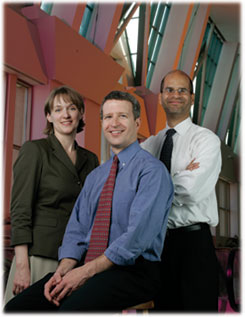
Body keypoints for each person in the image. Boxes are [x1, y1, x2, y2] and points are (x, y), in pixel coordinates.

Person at [5, 90, 174, 312]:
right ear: (102, 122)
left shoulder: (152, 172)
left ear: (137, 121)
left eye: (122, 116)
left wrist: (84, 272)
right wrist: (64, 270)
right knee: (17, 308)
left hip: (133, 271)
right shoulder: (97, 175)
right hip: (89, 266)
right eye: (108, 117)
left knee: (70, 310)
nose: (114, 123)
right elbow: (77, 227)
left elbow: (135, 239)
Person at [4, 86, 99, 304]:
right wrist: (22, 266)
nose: (65, 115)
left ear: (81, 113)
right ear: (49, 116)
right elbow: (21, 209)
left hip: (76, 258)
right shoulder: (35, 151)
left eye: (72, 108)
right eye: (58, 109)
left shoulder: (91, 159)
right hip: (40, 254)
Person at [141, 69, 222, 312]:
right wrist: (178, 175)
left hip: (194, 244)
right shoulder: (149, 144)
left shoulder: (206, 140)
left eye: (182, 90)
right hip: (156, 245)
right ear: (161, 97)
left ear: (192, 97)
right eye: (169, 90)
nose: (175, 95)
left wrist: (153, 187)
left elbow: (192, 190)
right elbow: (130, 188)